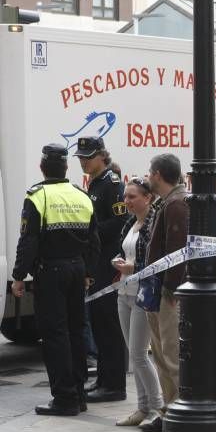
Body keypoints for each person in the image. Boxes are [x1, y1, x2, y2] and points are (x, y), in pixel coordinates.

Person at [11, 144, 100, 415]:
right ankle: (79, 394)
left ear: (42, 167)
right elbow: (94, 242)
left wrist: (18, 276)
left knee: (55, 335)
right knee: (75, 331)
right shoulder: (81, 196)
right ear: (66, 167)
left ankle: (64, 398)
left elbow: (29, 241)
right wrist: (88, 273)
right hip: (76, 270)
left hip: (51, 273)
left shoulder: (38, 197)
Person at [76, 136, 128, 403]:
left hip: (107, 262)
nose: (84, 161)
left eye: (88, 157)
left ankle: (114, 384)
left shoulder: (111, 184)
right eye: (82, 157)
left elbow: (119, 222)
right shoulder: (95, 182)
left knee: (108, 324)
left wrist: (89, 232)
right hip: (97, 261)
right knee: (99, 322)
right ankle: (104, 380)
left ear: (102, 156)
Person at [140, 153, 188, 432]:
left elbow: (177, 251)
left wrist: (170, 288)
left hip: (169, 294)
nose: (148, 175)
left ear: (158, 174)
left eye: (150, 171)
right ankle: (170, 407)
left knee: (171, 353)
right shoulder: (168, 202)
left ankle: (179, 407)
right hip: (160, 292)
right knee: (160, 353)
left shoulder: (177, 204)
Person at [112, 178, 164, 426]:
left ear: (148, 197)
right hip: (124, 293)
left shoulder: (155, 223)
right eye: (126, 196)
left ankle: (157, 407)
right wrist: (121, 262)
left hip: (143, 294)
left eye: (132, 197)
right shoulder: (130, 224)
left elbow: (157, 261)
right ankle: (142, 408)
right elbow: (127, 252)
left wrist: (134, 267)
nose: (127, 202)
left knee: (140, 354)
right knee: (133, 355)